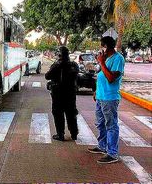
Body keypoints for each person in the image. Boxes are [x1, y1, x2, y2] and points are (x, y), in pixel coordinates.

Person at [88, 36, 125, 164]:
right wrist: (96, 92)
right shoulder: (106, 58)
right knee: (100, 123)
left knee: (111, 124)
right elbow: (101, 76)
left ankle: (112, 153)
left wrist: (101, 62)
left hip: (110, 98)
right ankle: (102, 145)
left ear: (106, 47)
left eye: (101, 46)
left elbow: (111, 78)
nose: (100, 49)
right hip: (101, 96)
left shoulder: (118, 59)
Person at [45, 46, 79, 141]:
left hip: (58, 93)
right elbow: (76, 75)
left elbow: (47, 76)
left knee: (58, 113)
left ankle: (60, 134)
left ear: (59, 54)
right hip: (70, 93)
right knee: (71, 113)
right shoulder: (74, 65)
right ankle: (74, 134)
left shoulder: (56, 65)